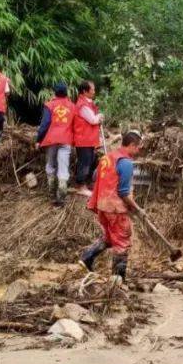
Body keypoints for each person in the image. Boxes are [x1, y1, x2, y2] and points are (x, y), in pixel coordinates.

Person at [80, 130, 143, 281]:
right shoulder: (126, 162)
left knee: (109, 238)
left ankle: (86, 258)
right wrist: (138, 208)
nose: (140, 150)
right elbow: (123, 192)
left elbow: (96, 176)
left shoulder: (108, 157)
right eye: (139, 147)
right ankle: (117, 280)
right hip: (115, 207)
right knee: (122, 242)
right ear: (132, 145)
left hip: (102, 205)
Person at [35, 81, 75, 207]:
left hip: (51, 140)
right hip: (66, 140)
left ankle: (52, 193)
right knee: (63, 167)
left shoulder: (50, 105)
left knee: (51, 165)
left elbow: (45, 124)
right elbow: (75, 125)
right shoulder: (72, 106)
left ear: (54, 92)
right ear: (66, 92)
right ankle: (61, 192)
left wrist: (38, 140)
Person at [72, 80, 103, 190]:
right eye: (92, 89)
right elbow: (93, 120)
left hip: (88, 139)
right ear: (85, 91)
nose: (94, 91)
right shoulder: (82, 105)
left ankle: (88, 182)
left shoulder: (88, 103)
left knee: (91, 159)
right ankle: (81, 185)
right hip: (83, 139)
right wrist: (99, 116)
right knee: (85, 161)